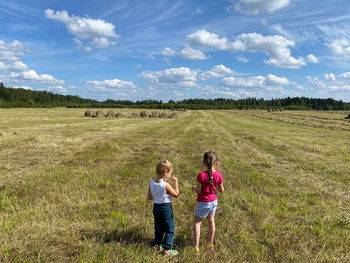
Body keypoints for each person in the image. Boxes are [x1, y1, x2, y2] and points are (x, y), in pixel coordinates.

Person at [191, 151, 224, 253]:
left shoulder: (201, 175)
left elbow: (199, 190)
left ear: (204, 163)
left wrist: (194, 188)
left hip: (203, 202)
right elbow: (221, 190)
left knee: (197, 222)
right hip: (213, 201)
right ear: (217, 163)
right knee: (211, 221)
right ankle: (210, 244)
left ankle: (196, 247)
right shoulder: (218, 175)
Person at [147, 160, 180, 256]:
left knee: (158, 226)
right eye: (170, 174)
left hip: (156, 207)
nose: (170, 176)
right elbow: (176, 194)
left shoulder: (152, 183)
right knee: (170, 228)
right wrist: (176, 183)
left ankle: (156, 244)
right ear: (165, 172)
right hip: (165, 208)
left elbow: (149, 197)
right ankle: (167, 249)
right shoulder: (166, 185)